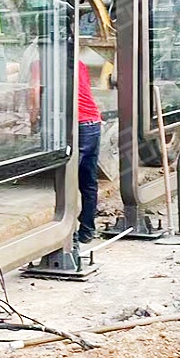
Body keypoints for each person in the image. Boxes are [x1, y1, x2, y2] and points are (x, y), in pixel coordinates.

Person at [75, 60, 102, 244]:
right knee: (88, 181)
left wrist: (33, 120)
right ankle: (87, 230)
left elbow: (34, 94)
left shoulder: (42, 63)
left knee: (66, 182)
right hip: (93, 122)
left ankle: (66, 233)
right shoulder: (79, 62)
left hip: (77, 123)